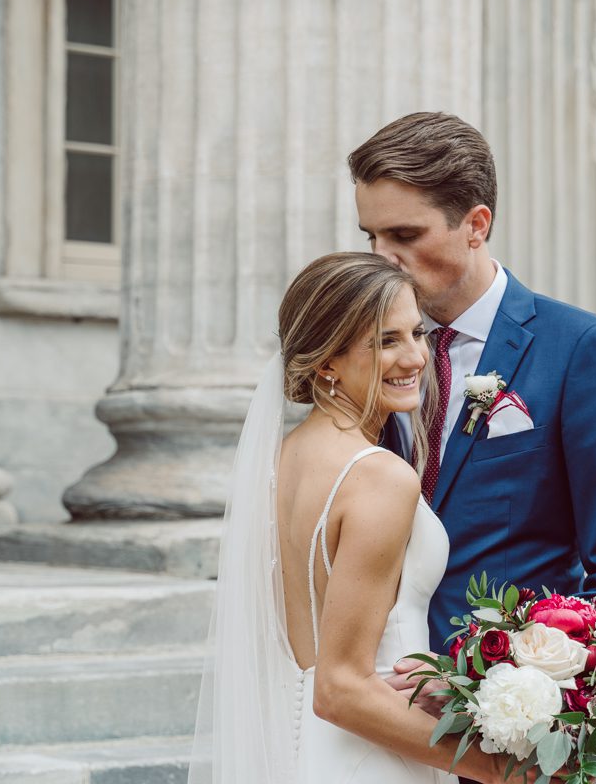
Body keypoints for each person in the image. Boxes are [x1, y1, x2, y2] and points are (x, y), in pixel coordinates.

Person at [346, 113, 596, 703]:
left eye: (405, 236)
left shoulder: (581, 350)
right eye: (371, 237)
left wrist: (493, 681)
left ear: (476, 225)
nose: (382, 258)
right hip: (378, 706)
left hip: (501, 716)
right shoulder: (360, 355)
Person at [189, 253, 521, 784]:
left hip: (296, 748)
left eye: (416, 333)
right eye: (387, 341)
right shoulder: (378, 477)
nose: (416, 357)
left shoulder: (283, 460)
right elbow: (342, 687)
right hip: (372, 755)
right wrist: (502, 769)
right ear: (327, 361)